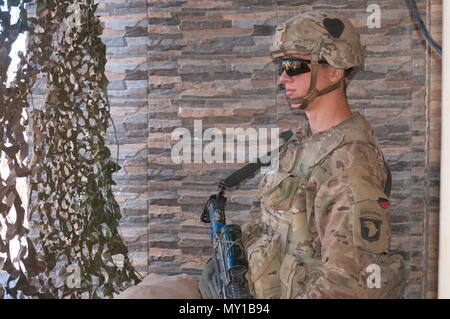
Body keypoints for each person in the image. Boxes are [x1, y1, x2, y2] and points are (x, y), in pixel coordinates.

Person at [200, 11, 406, 299]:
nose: (283, 77)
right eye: (283, 65)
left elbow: (345, 289)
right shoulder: (300, 143)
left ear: (336, 69)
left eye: (295, 65)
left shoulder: (351, 165)